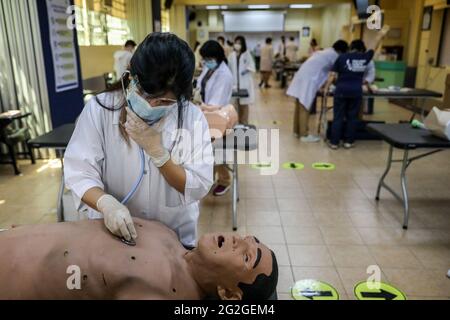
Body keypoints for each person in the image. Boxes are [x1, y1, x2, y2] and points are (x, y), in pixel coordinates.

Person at [64, 33, 214, 249]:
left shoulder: (191, 117)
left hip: (173, 241)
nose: (152, 104)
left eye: (164, 100)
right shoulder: (99, 109)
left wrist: (159, 154)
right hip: (111, 240)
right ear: (131, 78)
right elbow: (79, 172)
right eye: (145, 93)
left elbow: (198, 185)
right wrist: (106, 204)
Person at [0, 219, 278, 300]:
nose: (238, 240)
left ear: (228, 294)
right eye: (247, 238)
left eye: (246, 256)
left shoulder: (161, 292)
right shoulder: (168, 234)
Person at [325, 26, 390, 150]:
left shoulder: (342, 57)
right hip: (356, 92)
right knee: (352, 117)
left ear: (351, 48)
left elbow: (332, 75)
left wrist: (326, 89)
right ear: (361, 49)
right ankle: (348, 142)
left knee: (338, 117)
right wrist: (380, 35)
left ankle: (334, 143)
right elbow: (373, 47)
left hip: (341, 91)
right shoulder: (365, 58)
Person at [287, 40, 349, 143]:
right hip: (308, 79)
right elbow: (337, 72)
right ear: (342, 51)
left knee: (299, 104)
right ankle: (304, 134)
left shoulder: (326, 51)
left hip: (302, 76)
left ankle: (297, 131)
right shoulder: (334, 55)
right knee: (305, 106)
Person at [196, 40, 234, 197]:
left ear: (217, 57)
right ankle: (208, 178)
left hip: (218, 117)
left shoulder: (224, 74)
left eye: (208, 59)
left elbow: (216, 103)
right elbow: (201, 84)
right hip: (206, 112)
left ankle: (225, 180)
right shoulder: (210, 67)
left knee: (216, 150)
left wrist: (201, 106)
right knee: (206, 150)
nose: (205, 62)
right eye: (204, 59)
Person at [228, 35, 256, 125]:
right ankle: (235, 126)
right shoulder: (231, 55)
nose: (237, 45)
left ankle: (244, 125)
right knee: (234, 106)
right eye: (236, 43)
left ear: (243, 44)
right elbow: (228, 69)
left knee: (244, 106)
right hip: (234, 84)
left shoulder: (247, 54)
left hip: (244, 83)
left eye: (239, 43)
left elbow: (252, 67)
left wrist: (246, 69)